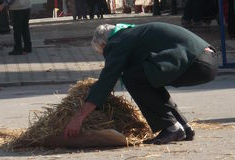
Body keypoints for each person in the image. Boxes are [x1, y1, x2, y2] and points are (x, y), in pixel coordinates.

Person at [64, 22, 218, 145]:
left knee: (132, 77)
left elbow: (107, 81)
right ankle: (182, 126)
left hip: (196, 62)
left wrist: (79, 117)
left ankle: (170, 127)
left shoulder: (118, 41)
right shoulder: (132, 34)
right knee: (146, 76)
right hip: (207, 60)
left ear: (105, 45)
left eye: (104, 53)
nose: (107, 56)